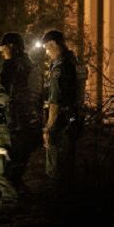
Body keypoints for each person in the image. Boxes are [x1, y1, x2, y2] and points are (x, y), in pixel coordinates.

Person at [0, 32, 43, 208]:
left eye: (3, 48)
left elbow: (3, 94)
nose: (2, 52)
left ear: (12, 47)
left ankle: (10, 205)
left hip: (9, 128)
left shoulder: (11, 66)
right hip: (28, 127)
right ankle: (26, 206)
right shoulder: (32, 67)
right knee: (14, 172)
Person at [42, 29, 80, 191]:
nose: (46, 52)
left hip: (60, 122)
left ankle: (55, 203)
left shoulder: (60, 68)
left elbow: (55, 102)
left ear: (54, 45)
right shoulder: (74, 62)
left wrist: (48, 128)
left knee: (55, 167)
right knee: (68, 163)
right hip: (73, 119)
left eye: (47, 48)